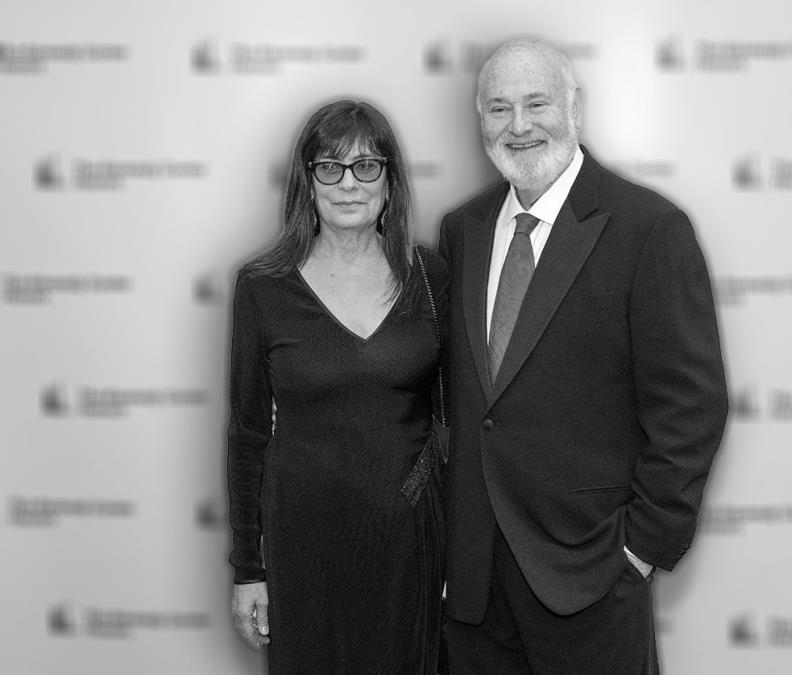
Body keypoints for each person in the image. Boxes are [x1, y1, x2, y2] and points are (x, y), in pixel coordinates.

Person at [437, 38, 728, 673]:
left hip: (591, 578)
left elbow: (691, 406)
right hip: (476, 587)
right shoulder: (462, 231)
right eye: (498, 108)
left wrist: (639, 550)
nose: (518, 125)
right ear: (480, 120)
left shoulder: (648, 228)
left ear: (574, 107)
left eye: (537, 103)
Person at [226, 99, 447, 674]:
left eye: (366, 166)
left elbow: (457, 417)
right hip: (303, 547)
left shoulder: (430, 275)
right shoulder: (262, 287)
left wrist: (455, 543)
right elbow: (248, 435)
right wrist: (248, 569)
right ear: (308, 181)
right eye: (330, 167)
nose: (349, 184)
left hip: (407, 543)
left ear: (390, 182)